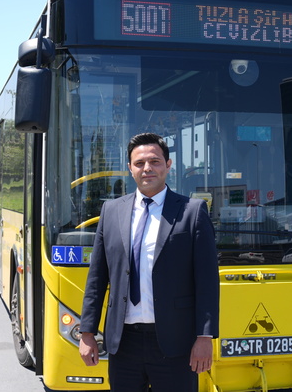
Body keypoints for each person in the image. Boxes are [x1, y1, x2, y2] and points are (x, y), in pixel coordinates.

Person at [79, 132, 219, 391]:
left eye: (155, 161)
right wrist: (87, 332)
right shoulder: (111, 211)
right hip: (123, 343)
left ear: (168, 165)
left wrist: (205, 336)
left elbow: (207, 281)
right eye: (139, 163)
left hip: (175, 342)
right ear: (130, 168)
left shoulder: (192, 211)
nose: (147, 168)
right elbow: (97, 278)